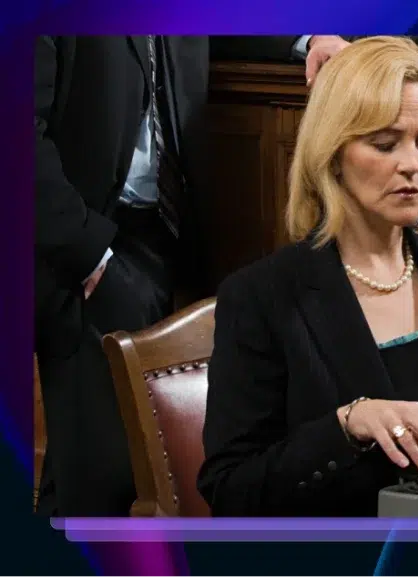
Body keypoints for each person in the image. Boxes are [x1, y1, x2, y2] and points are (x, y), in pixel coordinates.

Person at [197, 36, 418, 517]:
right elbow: (230, 491)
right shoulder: (261, 296)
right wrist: (344, 426)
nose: (411, 165)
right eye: (384, 144)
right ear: (333, 152)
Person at [34, 34, 348, 517]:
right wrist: (88, 252)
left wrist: (308, 42)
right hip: (83, 246)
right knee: (104, 475)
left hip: (168, 232)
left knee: (101, 464)